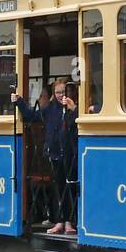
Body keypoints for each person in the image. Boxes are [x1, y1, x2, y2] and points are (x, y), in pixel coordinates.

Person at [13, 79, 79, 235]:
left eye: (63, 92)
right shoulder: (50, 108)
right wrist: (19, 101)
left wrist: (74, 109)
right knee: (58, 188)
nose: (61, 95)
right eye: (57, 92)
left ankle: (70, 222)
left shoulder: (74, 107)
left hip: (70, 154)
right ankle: (59, 221)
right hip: (54, 153)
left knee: (69, 187)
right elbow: (31, 115)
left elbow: (79, 123)